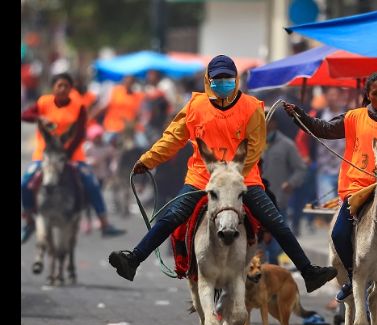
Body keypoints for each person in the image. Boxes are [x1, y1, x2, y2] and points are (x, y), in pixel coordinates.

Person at [107, 55, 336, 293]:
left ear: (235, 79)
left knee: (275, 221)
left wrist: (232, 177)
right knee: (172, 216)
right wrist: (148, 160)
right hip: (201, 178)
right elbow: (173, 138)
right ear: (208, 80)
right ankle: (134, 259)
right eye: (218, 78)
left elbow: (255, 148)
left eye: (227, 77)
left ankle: (308, 272)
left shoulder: (252, 107)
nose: (223, 82)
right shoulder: (195, 106)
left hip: (242, 178)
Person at [283, 71, 377, 301]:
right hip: (358, 189)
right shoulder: (354, 117)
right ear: (367, 95)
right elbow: (324, 129)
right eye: (375, 93)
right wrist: (300, 116)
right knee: (339, 235)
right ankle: (352, 277)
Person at [21, 72, 125, 243]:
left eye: (66, 86)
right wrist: (40, 117)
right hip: (44, 155)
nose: (62, 89)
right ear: (53, 88)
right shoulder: (43, 102)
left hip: (72, 155)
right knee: (25, 183)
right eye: (59, 85)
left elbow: (80, 134)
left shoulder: (79, 106)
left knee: (91, 182)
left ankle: (104, 223)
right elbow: (25, 115)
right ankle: (29, 221)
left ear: (71, 89)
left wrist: (67, 155)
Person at [260, 117, 308, 263]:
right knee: (259, 247)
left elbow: (301, 169)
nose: (263, 122)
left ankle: (273, 269)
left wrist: (291, 183)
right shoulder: (252, 143)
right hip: (256, 203)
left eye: (267, 118)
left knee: (276, 246)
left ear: (274, 122)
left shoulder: (287, 144)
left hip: (278, 202)